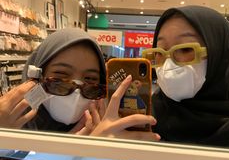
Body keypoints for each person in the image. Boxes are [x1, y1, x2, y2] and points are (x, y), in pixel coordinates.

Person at [21, 27, 158, 141]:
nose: (76, 93)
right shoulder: (12, 125)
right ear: (36, 75)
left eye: (91, 80)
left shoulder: (110, 130)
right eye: (61, 77)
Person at [145, 5, 229, 147]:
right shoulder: (145, 120)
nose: (168, 65)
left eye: (185, 49)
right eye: (160, 52)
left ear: (220, 55)